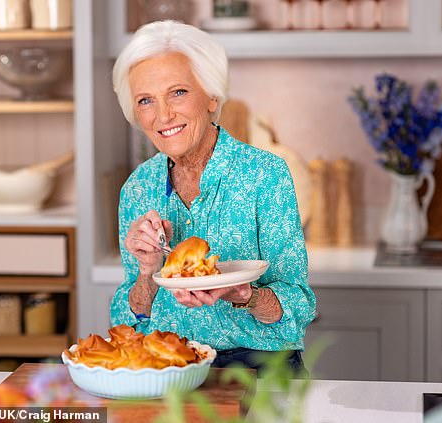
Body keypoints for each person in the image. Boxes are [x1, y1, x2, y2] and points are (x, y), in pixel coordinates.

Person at [109, 20, 316, 374]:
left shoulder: (264, 175)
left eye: (178, 92)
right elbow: (132, 320)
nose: (163, 115)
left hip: (258, 367)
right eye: (145, 100)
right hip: (169, 368)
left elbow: (298, 307)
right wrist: (147, 273)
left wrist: (245, 295)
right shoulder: (138, 188)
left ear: (212, 96)